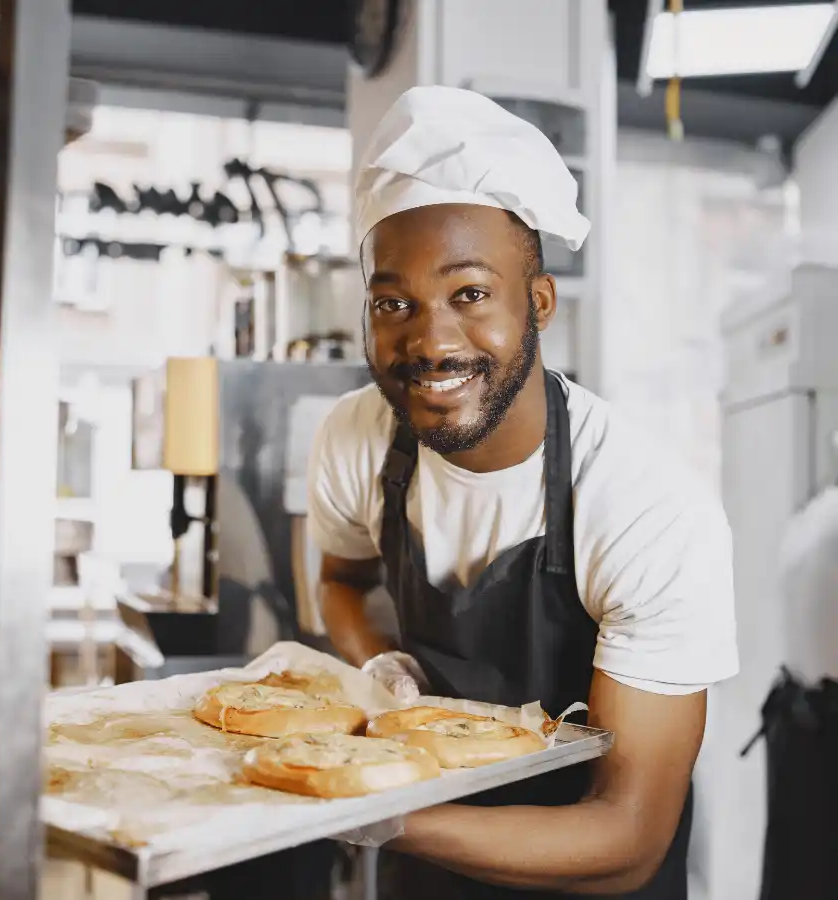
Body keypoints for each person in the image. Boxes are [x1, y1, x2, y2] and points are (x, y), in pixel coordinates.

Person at [307, 86, 739, 899]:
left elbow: (627, 836)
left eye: (470, 293)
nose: (430, 341)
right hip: (424, 876)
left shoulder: (647, 506)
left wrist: (370, 811)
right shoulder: (355, 439)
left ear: (537, 302)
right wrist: (380, 672)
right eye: (392, 303)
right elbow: (339, 583)